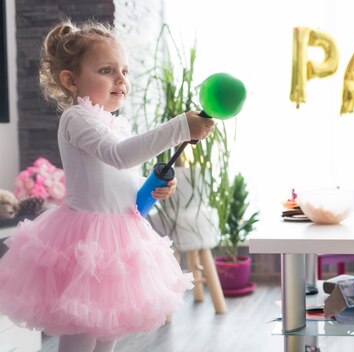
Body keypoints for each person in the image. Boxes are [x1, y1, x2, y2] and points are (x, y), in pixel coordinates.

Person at [0, 19, 215, 352]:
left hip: (119, 238)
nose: (121, 79)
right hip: (87, 240)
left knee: (107, 329)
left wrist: (152, 186)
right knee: (83, 328)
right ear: (71, 80)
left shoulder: (113, 124)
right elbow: (118, 156)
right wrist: (179, 127)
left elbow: (120, 175)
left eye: (125, 71)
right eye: (106, 70)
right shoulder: (76, 118)